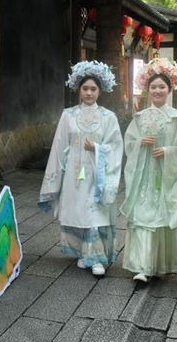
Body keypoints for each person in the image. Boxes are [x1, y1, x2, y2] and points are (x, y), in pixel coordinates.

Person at [39, 61, 123, 277]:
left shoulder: (108, 117)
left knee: (93, 213)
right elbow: (59, 145)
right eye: (85, 89)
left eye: (93, 89)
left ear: (100, 91)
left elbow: (116, 146)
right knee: (79, 212)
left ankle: (95, 257)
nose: (88, 93)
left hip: (97, 174)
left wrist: (97, 148)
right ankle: (84, 252)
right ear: (78, 90)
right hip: (75, 172)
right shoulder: (69, 115)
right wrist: (56, 176)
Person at [121, 58, 177, 283]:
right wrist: (140, 141)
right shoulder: (139, 118)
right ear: (147, 90)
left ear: (170, 90)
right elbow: (128, 143)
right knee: (143, 217)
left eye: (162, 87)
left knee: (162, 218)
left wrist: (169, 151)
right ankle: (142, 266)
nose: (157, 90)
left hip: (167, 177)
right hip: (144, 178)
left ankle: (160, 264)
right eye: (153, 87)